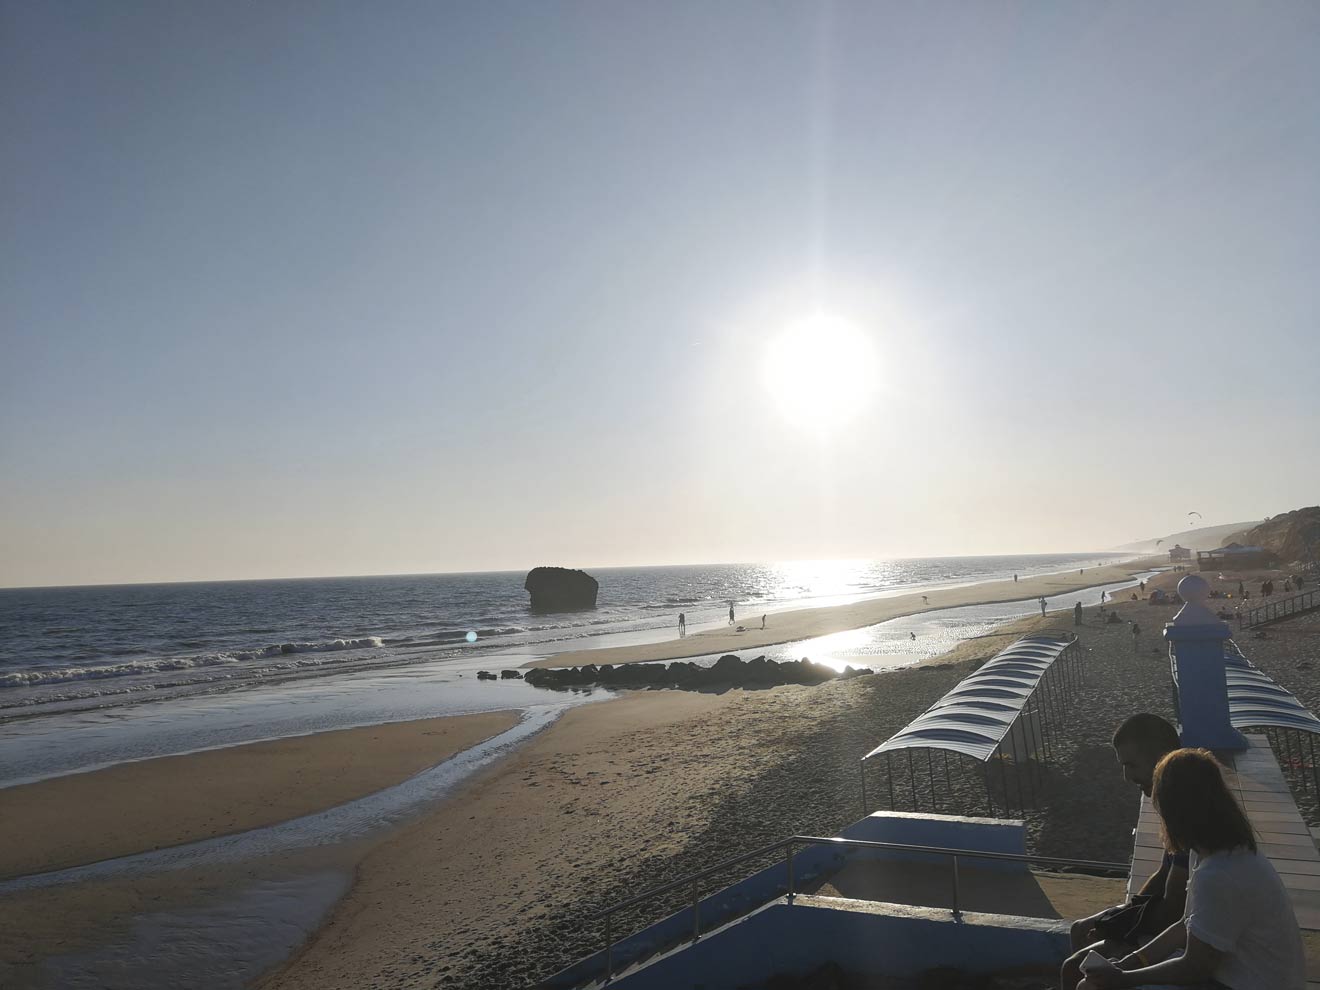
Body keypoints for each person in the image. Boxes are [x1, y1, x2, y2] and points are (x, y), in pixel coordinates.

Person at [1074, 748, 1306, 990]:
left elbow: (1195, 967)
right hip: (1237, 977)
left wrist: (1124, 978)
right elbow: (1186, 924)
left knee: (1090, 987)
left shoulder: (1219, 874)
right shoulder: (1213, 851)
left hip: (1246, 984)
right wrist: (1130, 963)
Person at [1061, 715, 1186, 990]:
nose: (1127, 777)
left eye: (1131, 765)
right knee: (1079, 929)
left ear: (1162, 758)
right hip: (1170, 919)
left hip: (1183, 930)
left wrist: (1120, 928)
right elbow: (1164, 872)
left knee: (1072, 968)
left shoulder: (1185, 815)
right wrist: (1128, 910)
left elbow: (1173, 910)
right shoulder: (1170, 804)